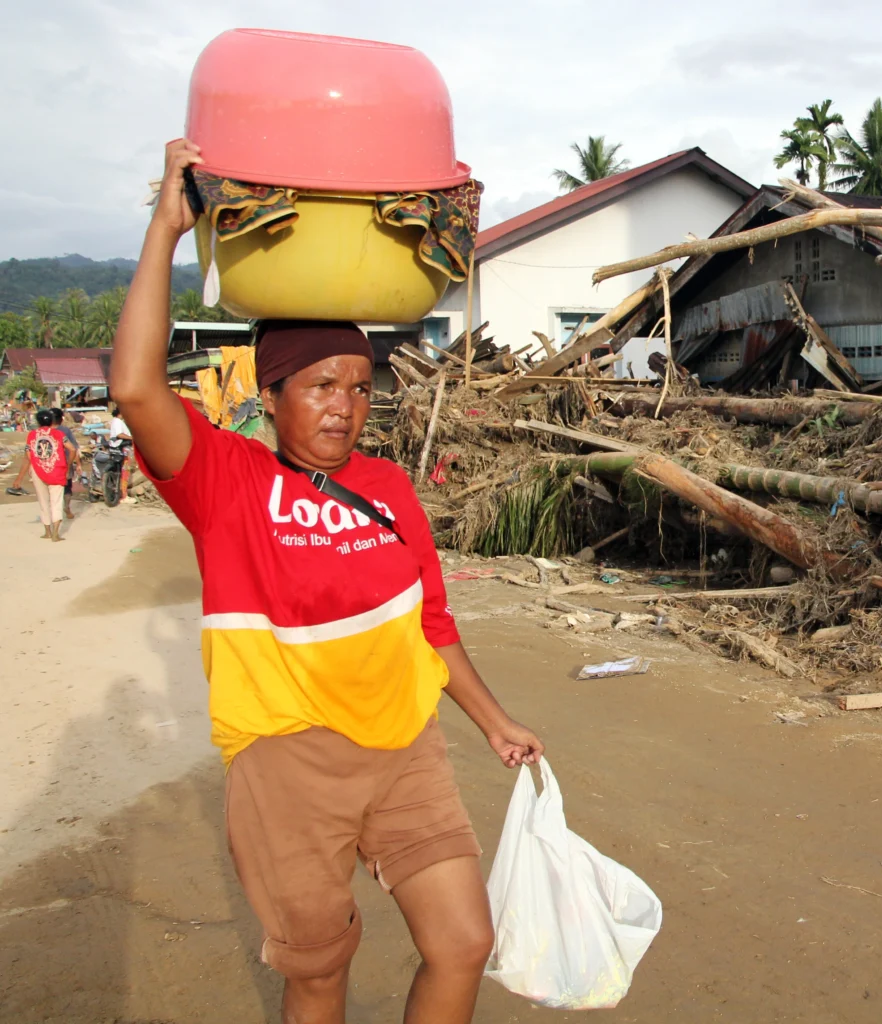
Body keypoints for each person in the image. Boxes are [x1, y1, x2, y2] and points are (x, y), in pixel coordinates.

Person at [110, 139, 543, 1024]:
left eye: (359, 386)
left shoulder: (388, 486)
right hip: (288, 762)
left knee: (464, 941)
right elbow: (135, 387)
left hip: (405, 747)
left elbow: (430, 623)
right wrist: (165, 229)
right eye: (319, 386)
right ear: (270, 395)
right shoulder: (225, 482)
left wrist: (495, 721)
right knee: (318, 974)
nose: (345, 407)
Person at [10, 409, 72, 540]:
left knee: (43, 502)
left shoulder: (32, 435)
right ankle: (56, 534)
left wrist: (19, 478)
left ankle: (47, 532)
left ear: (38, 422)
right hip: (57, 470)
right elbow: (72, 449)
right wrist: (68, 465)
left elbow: (28, 456)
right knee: (56, 502)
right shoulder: (59, 434)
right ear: (52, 421)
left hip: (38, 471)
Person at [50, 407, 79, 519]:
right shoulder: (65, 430)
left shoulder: (44, 431)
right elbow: (74, 448)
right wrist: (77, 464)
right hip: (66, 462)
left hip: (50, 464)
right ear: (61, 419)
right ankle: (66, 507)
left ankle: (53, 509)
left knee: (51, 487)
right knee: (67, 487)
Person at [109, 402, 137, 499]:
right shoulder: (117, 421)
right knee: (125, 471)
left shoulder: (116, 421)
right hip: (121, 449)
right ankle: (124, 495)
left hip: (118, 449)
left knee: (123, 471)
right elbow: (119, 434)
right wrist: (132, 438)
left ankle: (121, 492)